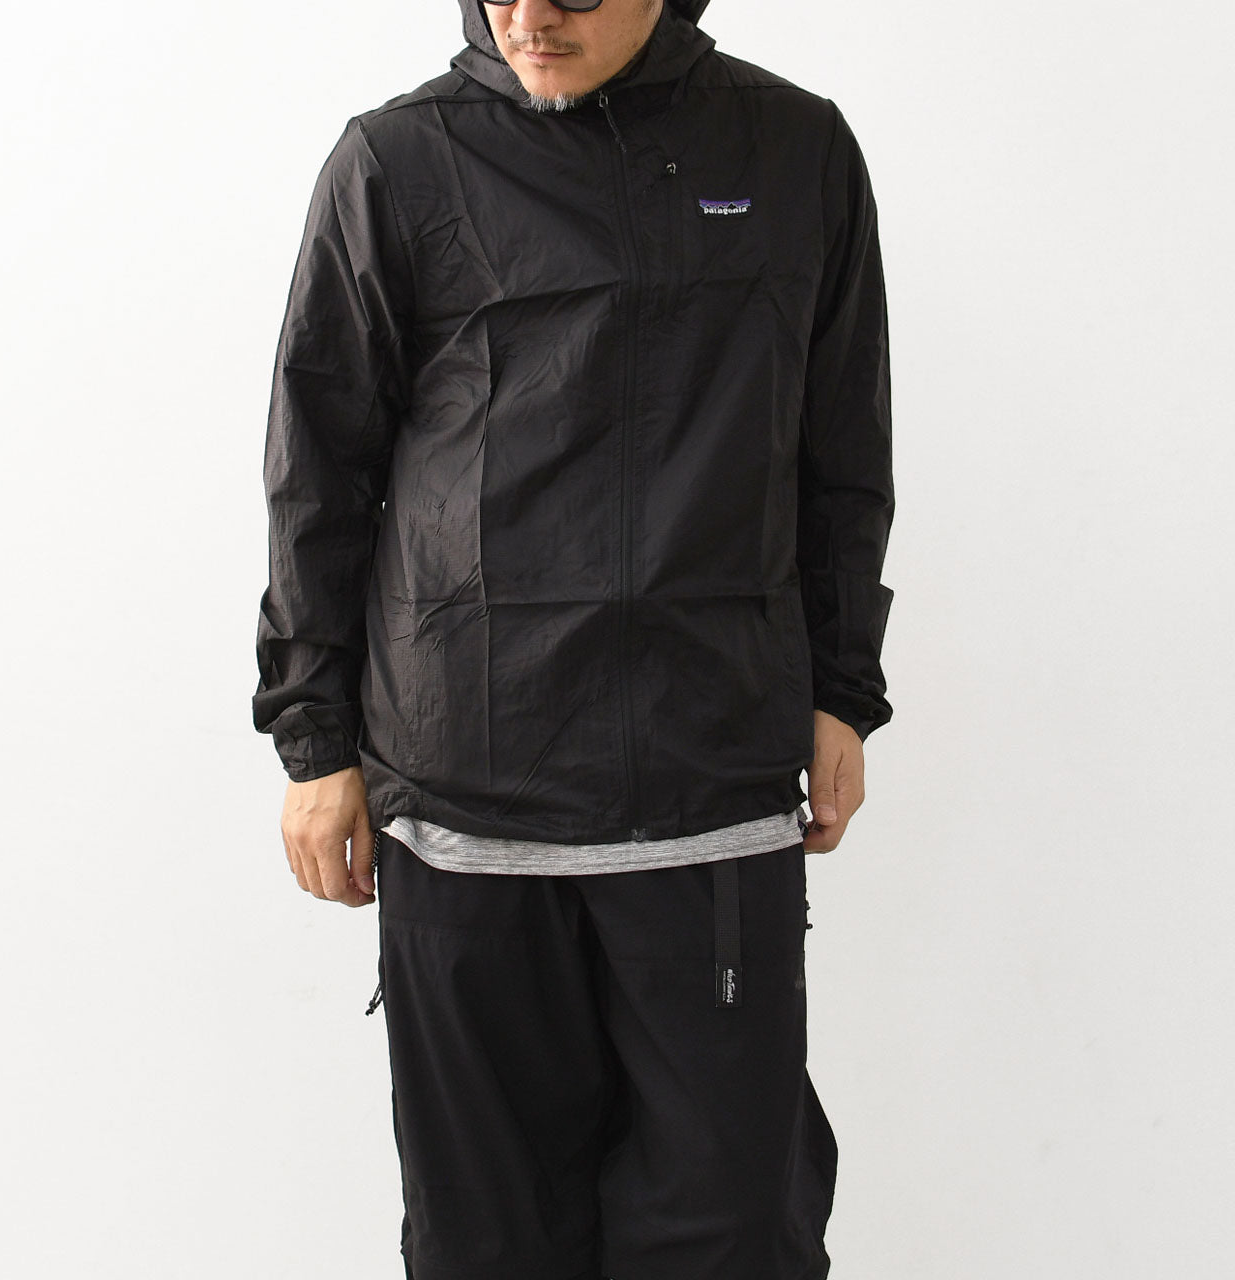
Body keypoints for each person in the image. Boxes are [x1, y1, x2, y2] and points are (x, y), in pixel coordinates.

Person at [253, 2, 894, 1276]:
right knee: (486, 1239)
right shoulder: (397, 161)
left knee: (733, 1233)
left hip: (708, 788)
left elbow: (839, 445)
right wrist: (313, 740)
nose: (529, 17)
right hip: (464, 796)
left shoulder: (792, 149)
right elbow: (318, 470)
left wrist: (841, 689)